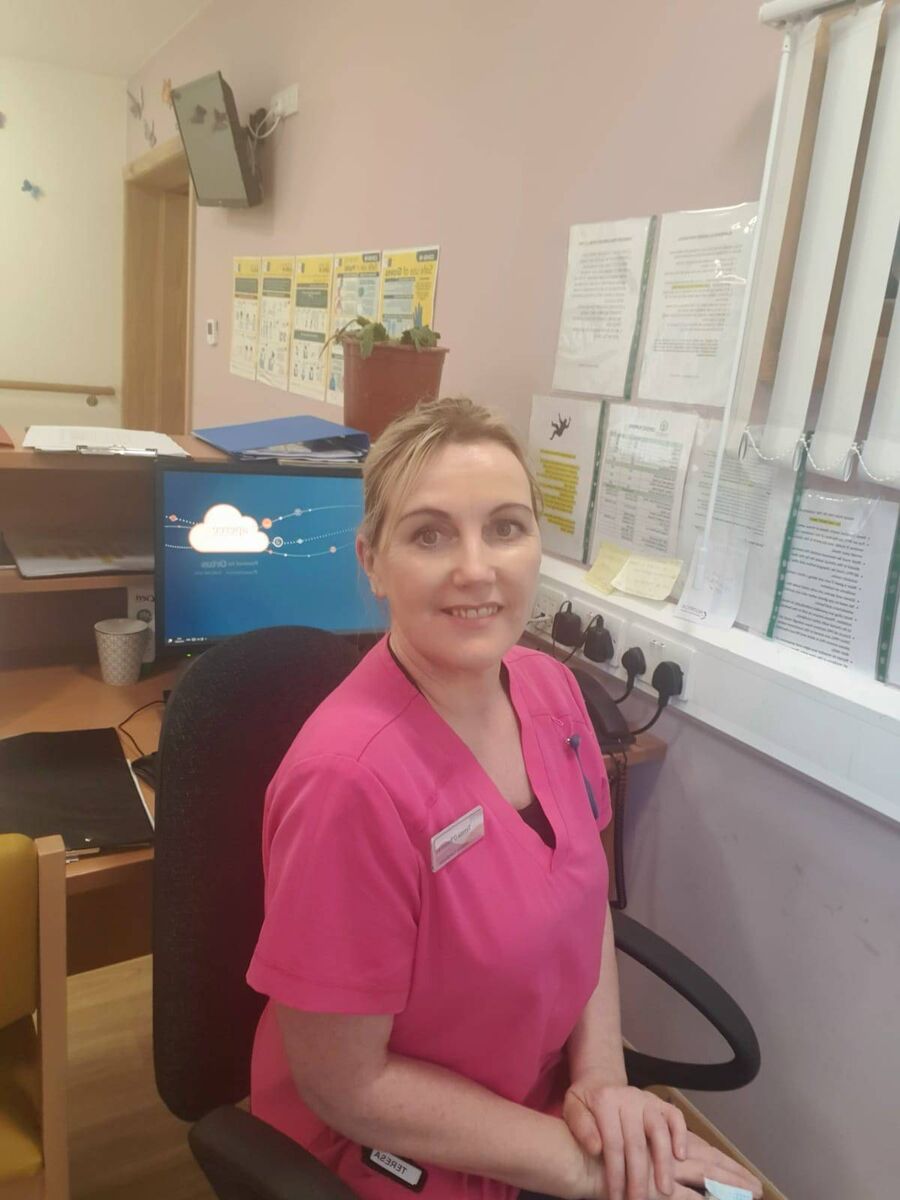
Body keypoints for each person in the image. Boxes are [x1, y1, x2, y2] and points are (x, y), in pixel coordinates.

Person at [247, 398, 761, 1200]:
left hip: (542, 1104)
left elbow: (583, 899)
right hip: (391, 1152)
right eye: (430, 535)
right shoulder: (347, 783)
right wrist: (589, 1168)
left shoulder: (551, 688)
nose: (476, 569)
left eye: (506, 528)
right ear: (372, 561)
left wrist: (602, 1081)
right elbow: (345, 1085)